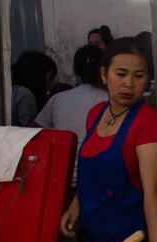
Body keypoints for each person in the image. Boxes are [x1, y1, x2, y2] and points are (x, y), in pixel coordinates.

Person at [59, 37, 157, 242]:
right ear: (104, 75)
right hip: (96, 238)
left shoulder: (148, 121)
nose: (129, 84)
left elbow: (154, 189)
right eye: (121, 74)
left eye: (138, 76)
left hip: (135, 240)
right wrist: (75, 207)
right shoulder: (95, 114)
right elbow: (95, 176)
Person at [36, 45, 109, 185]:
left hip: (62, 177)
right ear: (105, 70)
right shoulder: (111, 100)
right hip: (99, 179)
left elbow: (36, 130)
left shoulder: (58, 99)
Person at [11, 51, 57, 127]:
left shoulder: (14, 90)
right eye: (50, 77)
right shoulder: (25, 94)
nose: (51, 82)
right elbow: (30, 127)